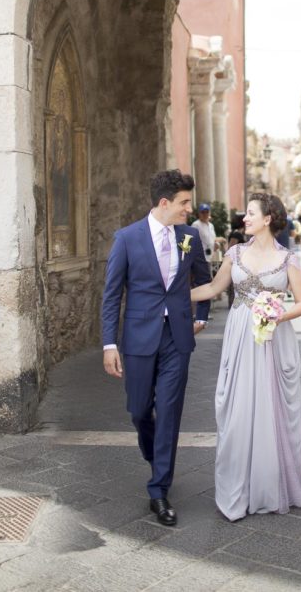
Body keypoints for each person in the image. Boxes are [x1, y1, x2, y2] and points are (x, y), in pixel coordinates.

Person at [191, 192, 301, 520]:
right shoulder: (234, 254)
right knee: (235, 404)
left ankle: (269, 478)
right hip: (239, 338)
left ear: (268, 219)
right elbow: (211, 289)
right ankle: (240, 477)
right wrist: (170, 294)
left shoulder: (288, 259)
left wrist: (275, 316)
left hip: (272, 338)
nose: (244, 219)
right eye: (245, 214)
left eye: (250, 214)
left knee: (271, 403)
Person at [101, 169, 211, 527]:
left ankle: (159, 489)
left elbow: (204, 279)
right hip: (138, 338)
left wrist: (203, 315)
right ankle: (153, 450)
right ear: (164, 203)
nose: (187, 210)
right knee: (138, 410)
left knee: (169, 411)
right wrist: (108, 344)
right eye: (183, 203)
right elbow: (112, 295)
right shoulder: (127, 238)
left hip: (177, 338)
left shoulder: (190, 237)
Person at [191, 202, 218, 274]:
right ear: (199, 213)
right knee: (203, 279)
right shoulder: (196, 224)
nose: (205, 214)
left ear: (209, 213)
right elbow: (192, 241)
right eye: (203, 212)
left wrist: (216, 243)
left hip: (210, 256)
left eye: (207, 212)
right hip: (200, 258)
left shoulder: (211, 225)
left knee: (209, 277)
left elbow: (213, 239)